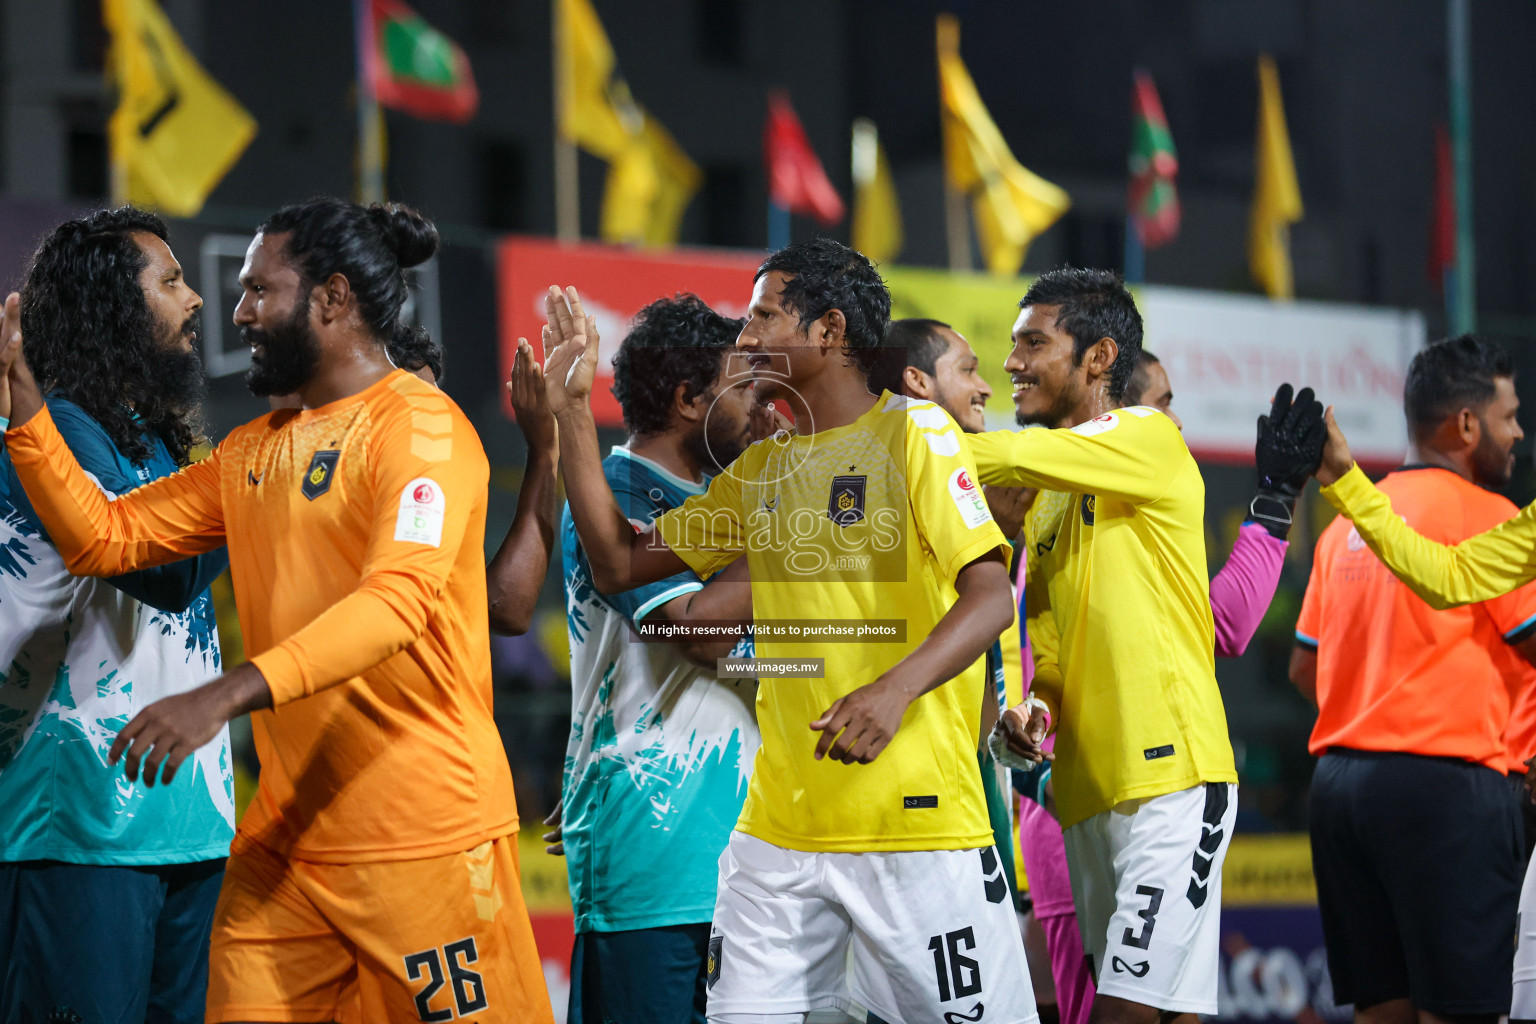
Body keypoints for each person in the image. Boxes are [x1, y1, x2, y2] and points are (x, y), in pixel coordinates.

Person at [0, 197, 553, 1023]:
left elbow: (395, 602)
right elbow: (107, 538)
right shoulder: (252, 450)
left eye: (258, 290)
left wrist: (222, 694)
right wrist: (27, 411)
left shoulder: (423, 429)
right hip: (283, 855)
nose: (235, 311)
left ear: (330, 300)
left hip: (423, 844)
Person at [543, 238, 1039, 1023]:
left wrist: (891, 690)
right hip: (775, 839)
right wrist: (570, 412)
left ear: (829, 330)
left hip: (913, 830)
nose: (744, 339)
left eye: (763, 316)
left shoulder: (916, 435)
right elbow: (617, 563)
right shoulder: (763, 472)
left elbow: (987, 597)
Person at [990, 341, 1307, 1024]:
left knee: (1163, 1010)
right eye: (1161, 405)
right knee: (1092, 1010)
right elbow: (1025, 671)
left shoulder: (1133, 520)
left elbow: (1218, 626)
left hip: (1143, 789)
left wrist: (1273, 507)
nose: (1174, 425)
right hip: (1063, 805)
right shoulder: (1049, 515)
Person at [0, 209, 232, 1024]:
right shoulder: (57, 431)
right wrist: (261, 481)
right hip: (82, 829)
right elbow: (162, 574)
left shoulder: (156, 442)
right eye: (170, 282)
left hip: (185, 822)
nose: (195, 298)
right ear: (112, 310)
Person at [1298, 337, 1534, 1024]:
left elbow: (1304, 666)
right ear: (1466, 423)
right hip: (1448, 790)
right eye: (1510, 414)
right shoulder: (1491, 516)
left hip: (1340, 790)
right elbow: (1475, 595)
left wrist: (1375, 713)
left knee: (1385, 1012)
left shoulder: (1341, 528)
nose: (1519, 431)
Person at [556, 294, 761, 1024]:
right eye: (744, 388)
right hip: (653, 850)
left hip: (741, 856)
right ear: (687, 399)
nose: (761, 406)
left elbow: (766, 661)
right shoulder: (616, 493)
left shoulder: (719, 504)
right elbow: (697, 634)